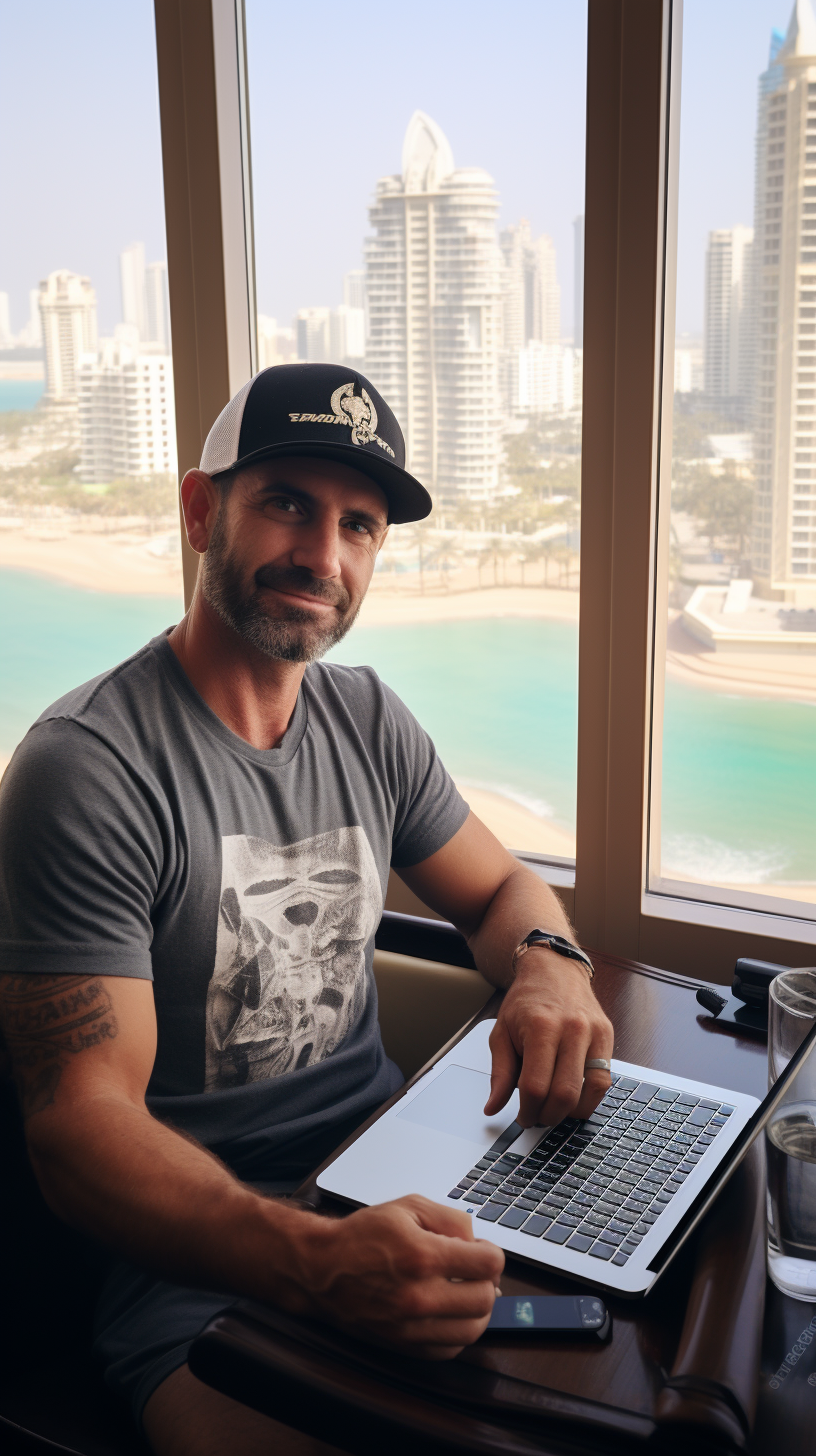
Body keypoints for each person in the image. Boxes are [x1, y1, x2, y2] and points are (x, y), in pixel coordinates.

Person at [0, 363, 613, 1456]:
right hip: (203, 1274)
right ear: (203, 511)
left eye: (359, 524)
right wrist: (313, 1260)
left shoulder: (370, 717)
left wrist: (551, 960)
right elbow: (78, 1129)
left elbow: (503, 892)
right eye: (287, 501)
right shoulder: (86, 766)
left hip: (402, 1175)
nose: (322, 557)